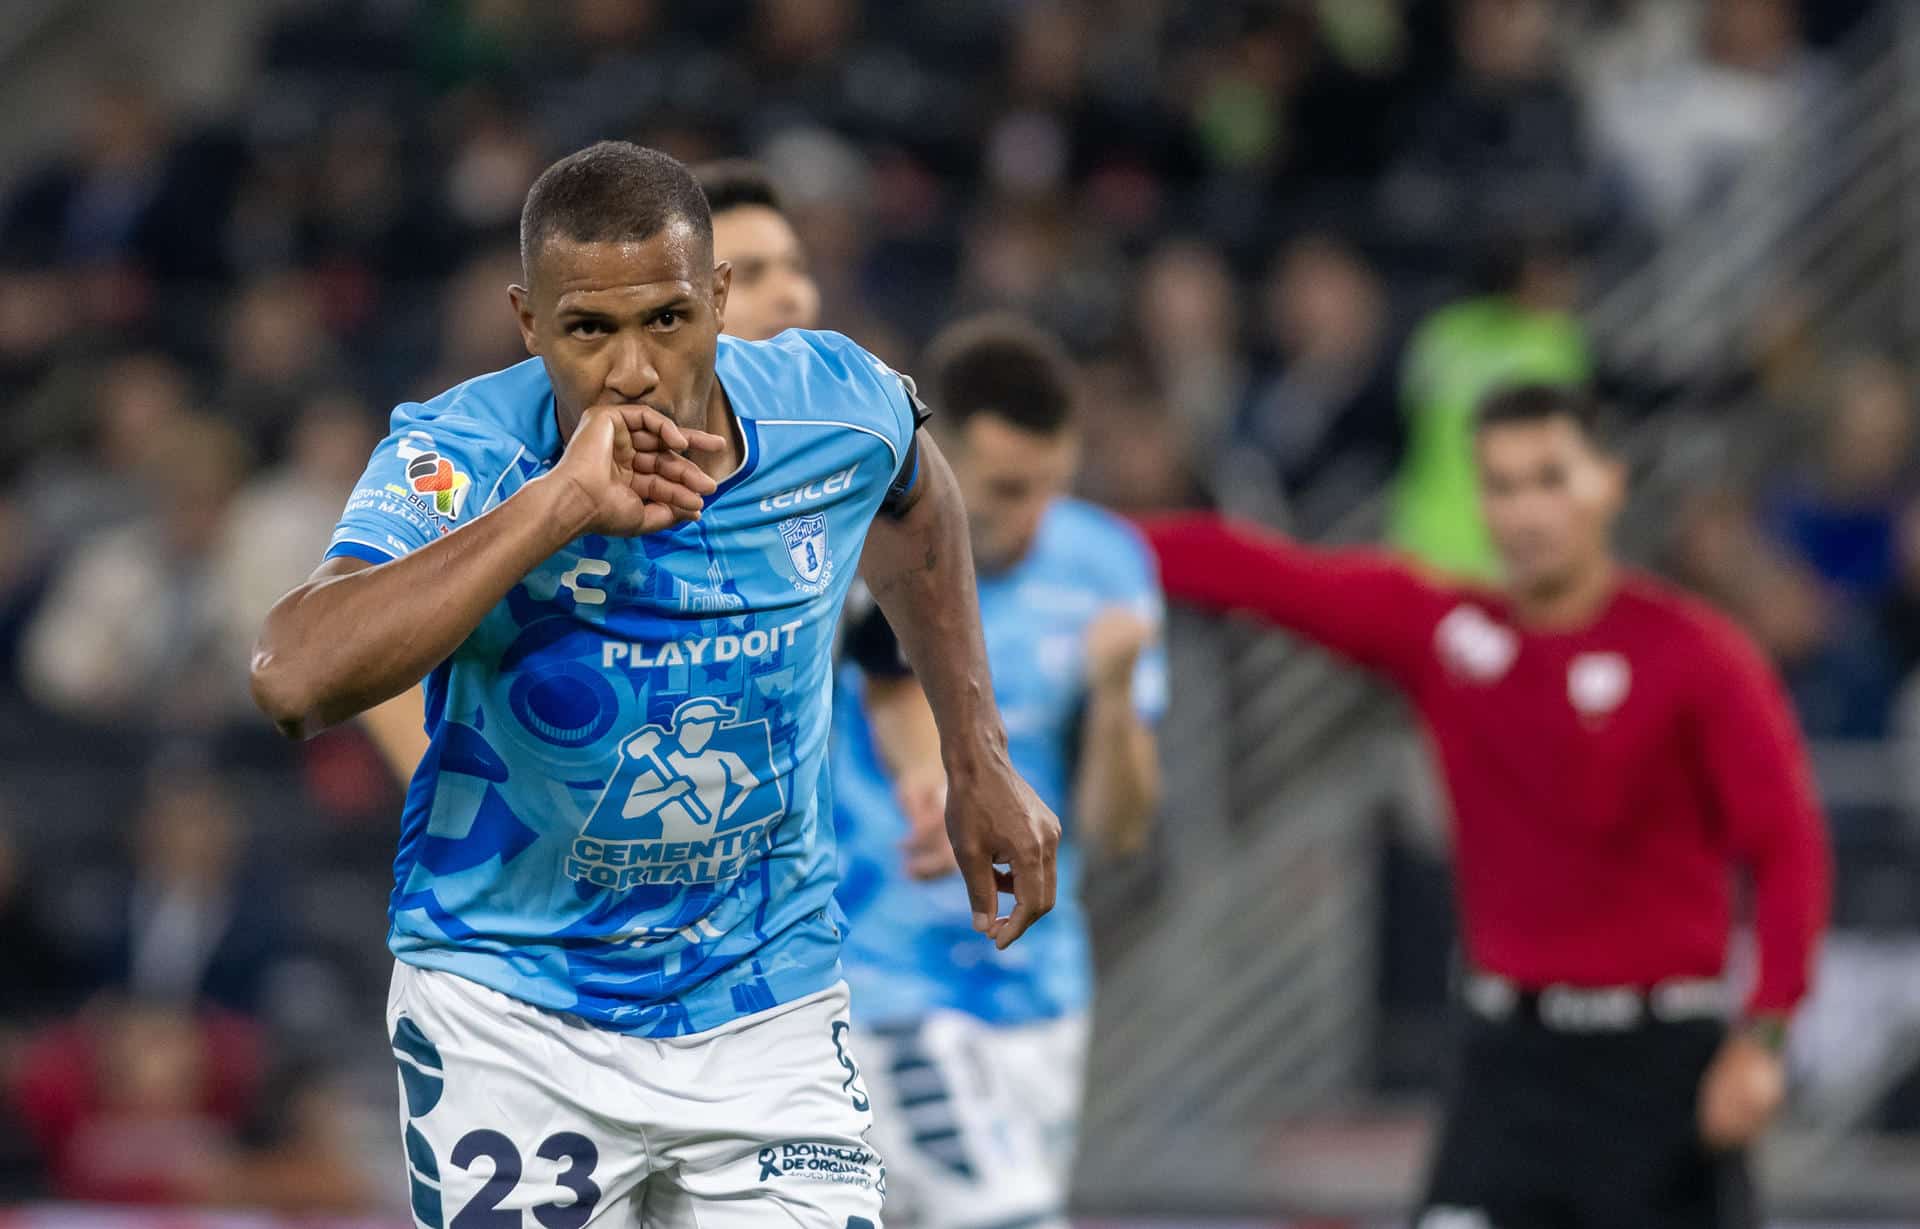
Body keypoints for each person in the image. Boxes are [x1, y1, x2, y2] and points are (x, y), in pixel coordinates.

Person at [249, 141, 1060, 1228]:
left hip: (763, 1000)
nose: (632, 369)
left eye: (667, 320)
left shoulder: (836, 407)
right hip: (512, 1010)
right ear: (528, 322)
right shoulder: (462, 451)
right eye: (589, 329)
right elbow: (293, 675)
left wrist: (977, 754)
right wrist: (552, 508)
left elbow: (919, 497)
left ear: (719, 299)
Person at [1143, 384, 1830, 1229]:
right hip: (1506, 1067)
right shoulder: (1446, 634)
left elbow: (1787, 844)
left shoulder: (1692, 653)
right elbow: (1261, 573)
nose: (1526, 510)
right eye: (1502, 485)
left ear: (1608, 482)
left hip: (1661, 1073)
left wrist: (1763, 1038)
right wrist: (1067, 543)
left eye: (1550, 478)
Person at [833, 316, 1165, 1229]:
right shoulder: (859, 552)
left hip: (1040, 986)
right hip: (885, 973)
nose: (1030, 518)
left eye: (1050, 488)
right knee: (1006, 1216)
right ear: (936, 461)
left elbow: (1121, 824)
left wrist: (1114, 696)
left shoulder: (1108, 565)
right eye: (1007, 491)